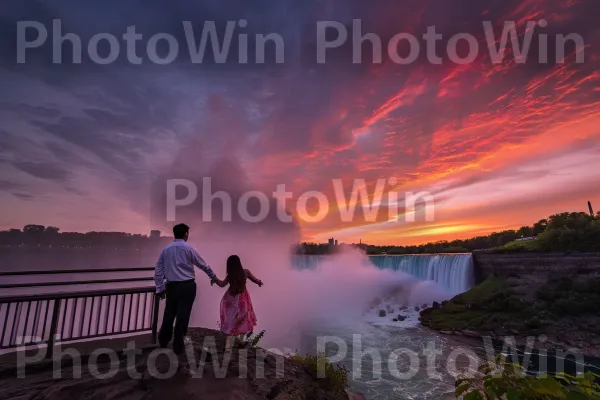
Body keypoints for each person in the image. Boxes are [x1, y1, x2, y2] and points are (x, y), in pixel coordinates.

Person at [154, 223, 217, 354]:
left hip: (171, 286)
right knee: (183, 315)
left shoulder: (166, 250)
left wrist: (160, 289)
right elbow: (203, 265)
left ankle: (163, 341)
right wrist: (213, 277)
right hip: (187, 286)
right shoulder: (189, 249)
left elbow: (158, 271)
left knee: (169, 313)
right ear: (186, 234)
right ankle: (178, 345)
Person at [211, 255, 263, 349]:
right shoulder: (245, 272)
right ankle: (242, 341)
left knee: (230, 319)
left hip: (230, 298)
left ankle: (227, 344)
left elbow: (222, 284)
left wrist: (214, 279)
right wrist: (259, 282)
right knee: (243, 318)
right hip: (243, 299)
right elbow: (255, 279)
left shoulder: (230, 274)